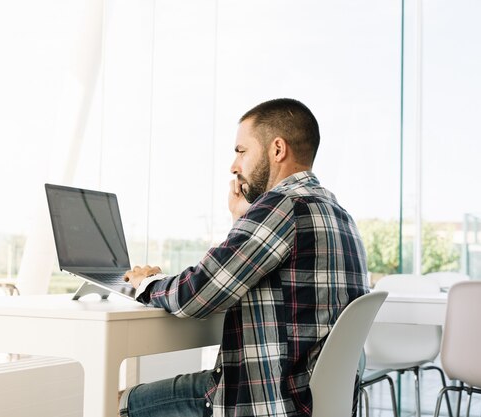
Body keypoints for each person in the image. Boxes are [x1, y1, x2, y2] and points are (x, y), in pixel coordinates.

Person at [121, 98, 369, 417]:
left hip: (266, 400)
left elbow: (195, 294)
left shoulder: (282, 206)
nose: (234, 166)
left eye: (241, 151)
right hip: (313, 402)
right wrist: (244, 220)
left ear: (277, 149)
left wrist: (146, 283)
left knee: (121, 402)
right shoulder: (339, 215)